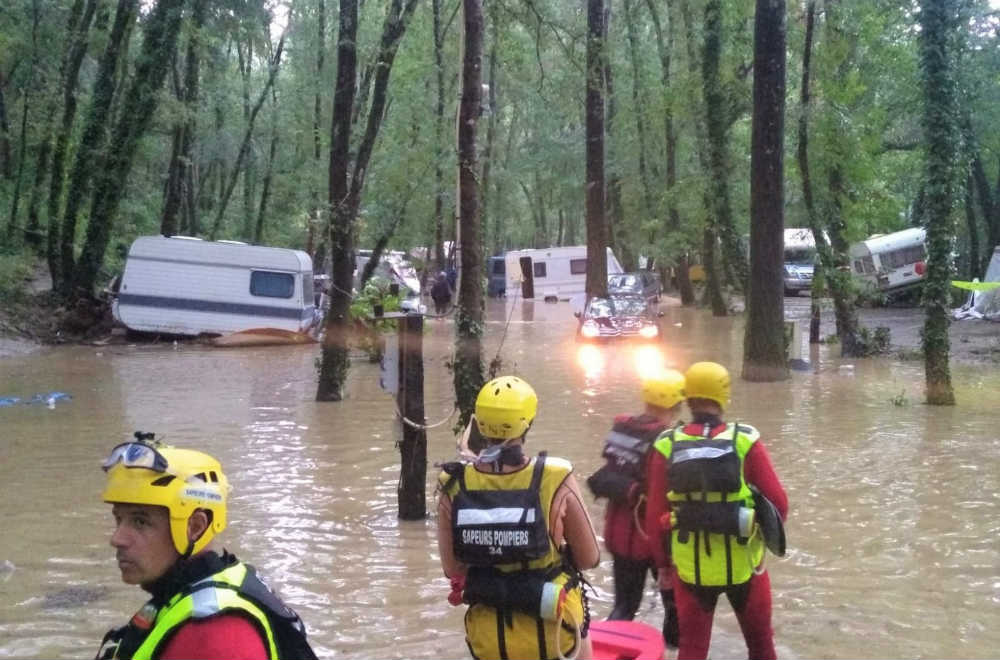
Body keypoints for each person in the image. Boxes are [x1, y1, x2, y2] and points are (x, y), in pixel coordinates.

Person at [96, 432, 317, 660]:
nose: (117, 538)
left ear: (195, 527)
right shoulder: (189, 592)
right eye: (118, 519)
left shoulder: (216, 637)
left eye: (140, 522)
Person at [437, 376, 601, 660]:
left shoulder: (452, 483)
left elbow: (453, 569)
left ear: (479, 423)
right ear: (527, 424)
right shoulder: (555, 476)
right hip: (555, 634)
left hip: (489, 639)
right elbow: (589, 558)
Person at [645, 362, 788, 660]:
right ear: (723, 396)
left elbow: (654, 515)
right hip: (746, 565)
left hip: (690, 570)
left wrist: (663, 566)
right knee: (761, 646)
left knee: (693, 650)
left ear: (687, 398)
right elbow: (779, 505)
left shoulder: (666, 444)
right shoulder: (745, 439)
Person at [586, 370, 685, 647]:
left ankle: (604, 650)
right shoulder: (668, 440)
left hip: (619, 535)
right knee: (675, 609)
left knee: (623, 608)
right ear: (676, 406)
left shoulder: (622, 428)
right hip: (656, 539)